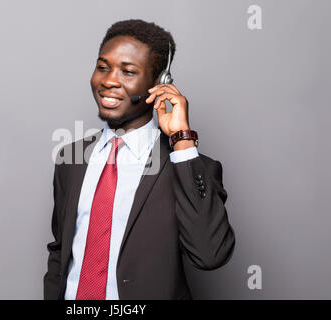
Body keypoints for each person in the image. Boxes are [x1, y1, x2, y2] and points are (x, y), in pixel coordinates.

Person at [44, 19, 235, 300]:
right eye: (103, 67)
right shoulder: (70, 160)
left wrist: (182, 140)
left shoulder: (189, 165)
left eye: (128, 71)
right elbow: (60, 251)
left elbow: (210, 255)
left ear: (160, 83)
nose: (109, 81)